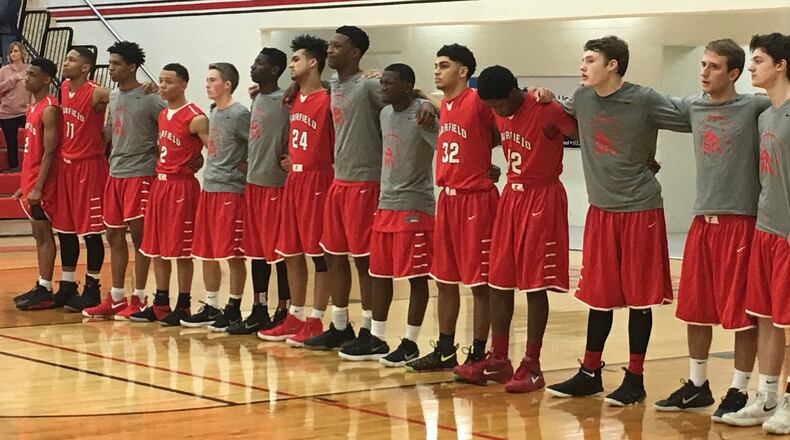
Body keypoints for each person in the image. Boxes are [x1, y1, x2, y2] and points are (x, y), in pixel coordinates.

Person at [544, 35, 690, 406]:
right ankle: (590, 373)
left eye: (590, 60)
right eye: (582, 59)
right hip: (601, 210)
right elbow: (558, 114)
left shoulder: (644, 99)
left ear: (612, 65)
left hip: (640, 209)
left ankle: (635, 378)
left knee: (640, 300)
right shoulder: (581, 98)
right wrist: (542, 96)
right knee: (599, 296)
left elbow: (692, 115)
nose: (582, 66)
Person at [653, 38, 769, 421]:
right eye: (702, 64)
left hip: (742, 221)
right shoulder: (693, 107)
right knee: (695, 311)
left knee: (741, 314)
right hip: (703, 220)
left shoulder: (755, 106)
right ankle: (697, 385)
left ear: (734, 74)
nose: (704, 72)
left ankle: (738, 390)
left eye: (713, 66)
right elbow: (639, 107)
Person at [309, 25, 437, 351]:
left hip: (367, 185)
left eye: (337, 46)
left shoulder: (369, 86)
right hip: (339, 181)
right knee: (333, 255)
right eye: (329, 45)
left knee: (366, 261)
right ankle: (340, 325)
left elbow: (401, 100)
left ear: (355, 52)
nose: (329, 50)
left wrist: (427, 101)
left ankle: (370, 329)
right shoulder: (335, 84)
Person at [460, 65, 576, 390]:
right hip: (512, 196)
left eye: (500, 104)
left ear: (514, 92)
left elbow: (585, 131)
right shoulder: (499, 113)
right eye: (492, 107)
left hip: (543, 198)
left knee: (535, 285)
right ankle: (499, 359)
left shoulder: (546, 109)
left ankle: (532, 365)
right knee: (499, 281)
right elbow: (492, 138)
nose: (497, 111)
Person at [406, 43, 499, 372]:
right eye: (435, 65)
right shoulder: (444, 105)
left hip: (477, 199)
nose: (437, 70)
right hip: (448, 199)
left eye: (443, 65)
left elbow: (505, 129)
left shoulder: (478, 101)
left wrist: (489, 161)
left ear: (463, 72)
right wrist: (420, 94)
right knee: (444, 279)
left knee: (480, 283)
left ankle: (478, 353)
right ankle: (446, 350)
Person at [337, 63, 436, 365]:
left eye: (389, 84)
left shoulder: (424, 114)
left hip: (415, 206)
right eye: (382, 84)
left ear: (406, 86)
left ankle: (410, 342)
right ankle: (377, 338)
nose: (382, 89)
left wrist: (431, 104)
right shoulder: (384, 114)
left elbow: (448, 145)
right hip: (385, 204)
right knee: (379, 274)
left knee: (416, 278)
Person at [722, 32, 790, 435]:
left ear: (781, 65)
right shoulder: (765, 115)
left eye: (759, 60)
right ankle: (765, 396)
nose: (751, 67)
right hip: (765, 229)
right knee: (765, 317)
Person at [257, 35, 334, 345]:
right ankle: (296, 315)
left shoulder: (328, 97)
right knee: (291, 251)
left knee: (318, 254)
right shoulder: (294, 97)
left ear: (313, 62)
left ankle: (316, 319)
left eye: (296, 59)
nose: (291, 65)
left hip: (319, 179)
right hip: (294, 180)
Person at [82, 41, 165, 320]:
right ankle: (117, 296)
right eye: (110, 62)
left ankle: (140, 297)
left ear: (131, 66)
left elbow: (174, 127)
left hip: (141, 174)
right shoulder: (114, 97)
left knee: (141, 239)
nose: (111, 68)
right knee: (114, 236)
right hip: (114, 173)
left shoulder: (152, 97)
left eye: (116, 64)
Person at [130, 63, 207, 326]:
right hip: (160, 185)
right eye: (161, 81)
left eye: (169, 82)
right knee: (156, 248)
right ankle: (161, 303)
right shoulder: (163, 114)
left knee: (182, 251)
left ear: (184, 84)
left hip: (181, 186)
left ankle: (183, 305)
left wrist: (199, 162)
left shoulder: (195, 117)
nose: (162, 86)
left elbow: (216, 152)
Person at [180, 62, 249, 332]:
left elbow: (255, 145)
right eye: (206, 80)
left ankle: (233, 307)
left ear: (227, 84)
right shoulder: (214, 113)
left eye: (212, 80)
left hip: (231, 190)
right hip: (209, 187)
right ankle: (211, 305)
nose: (207, 84)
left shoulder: (240, 113)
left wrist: (245, 165)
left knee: (232, 253)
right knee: (205, 250)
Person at [229, 47, 291, 335]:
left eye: (260, 63)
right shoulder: (257, 99)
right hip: (253, 184)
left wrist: (291, 154)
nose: (253, 67)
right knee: (256, 252)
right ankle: (258, 308)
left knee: (278, 252)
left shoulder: (287, 100)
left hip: (276, 185)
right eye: (254, 61)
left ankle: (284, 309)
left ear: (275, 70)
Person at [52, 47, 111, 313]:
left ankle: (92, 288)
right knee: (65, 229)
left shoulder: (96, 91)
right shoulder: (64, 87)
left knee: (91, 231)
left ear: (85, 67)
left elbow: (123, 98)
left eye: (71, 60)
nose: (65, 63)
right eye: (66, 58)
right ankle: (66, 284)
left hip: (90, 167)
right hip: (66, 166)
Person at [12, 57, 61, 310]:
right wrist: (24, 183)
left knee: (44, 234)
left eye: (31, 74)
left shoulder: (50, 108)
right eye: (26, 73)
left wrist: (39, 186)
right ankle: (41, 284)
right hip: (31, 179)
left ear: (45, 79)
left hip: (43, 184)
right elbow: (32, 150)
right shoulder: (33, 107)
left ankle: (45, 287)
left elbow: (50, 152)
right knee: (37, 234)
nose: (26, 78)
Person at [0, 41, 30, 172]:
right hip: (7, 111)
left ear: (22, 53)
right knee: (11, 141)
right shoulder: (4, 70)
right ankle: (14, 166)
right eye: (11, 51)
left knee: (34, 140)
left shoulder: (29, 69)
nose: (13, 54)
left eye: (16, 51)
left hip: (25, 111)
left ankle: (33, 166)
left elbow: (34, 89)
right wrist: (13, 79)